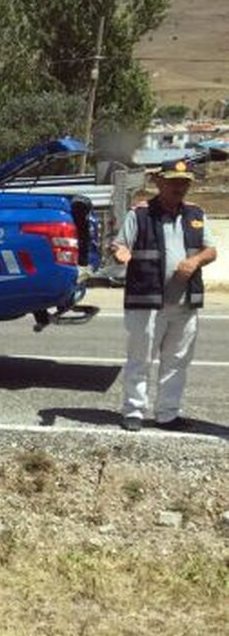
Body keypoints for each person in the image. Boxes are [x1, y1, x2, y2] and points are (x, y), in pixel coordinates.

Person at [112, 158, 217, 432]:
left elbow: (211, 250)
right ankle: (134, 411)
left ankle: (168, 414)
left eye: (184, 182)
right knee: (140, 359)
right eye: (172, 181)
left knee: (177, 362)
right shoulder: (140, 215)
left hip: (184, 303)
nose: (179, 187)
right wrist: (121, 252)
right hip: (147, 301)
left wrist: (195, 262)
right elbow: (121, 244)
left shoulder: (196, 215)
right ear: (158, 182)